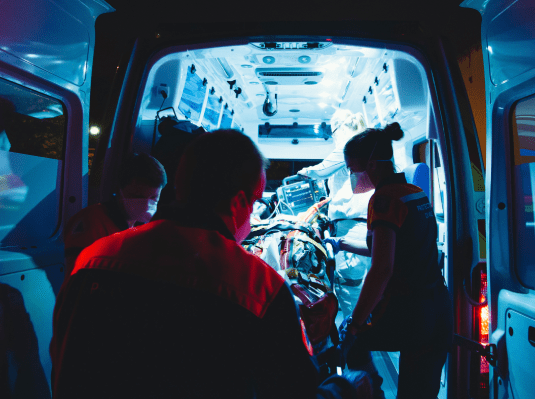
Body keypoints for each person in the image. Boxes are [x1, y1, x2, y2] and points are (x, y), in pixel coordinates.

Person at [50, 130, 373, 399]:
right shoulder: (258, 286)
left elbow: (62, 361)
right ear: (238, 204)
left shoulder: (94, 257)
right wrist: (344, 387)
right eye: (256, 201)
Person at [339, 123, 453, 399]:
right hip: (438, 307)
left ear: (372, 165)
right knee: (420, 391)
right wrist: (340, 243)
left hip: (413, 313)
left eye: (353, 170)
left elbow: (382, 269)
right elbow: (395, 249)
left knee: (352, 342)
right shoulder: (414, 192)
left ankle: (371, 392)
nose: (353, 177)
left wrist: (355, 323)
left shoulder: (383, 200)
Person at [298, 109, 372, 319]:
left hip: (352, 226)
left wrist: (303, 172)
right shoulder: (361, 145)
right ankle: (359, 334)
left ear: (338, 128)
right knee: (358, 286)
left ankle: (355, 339)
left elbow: (320, 170)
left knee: (350, 287)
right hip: (356, 223)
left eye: (332, 132)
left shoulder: (348, 145)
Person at [62, 153, 167, 279]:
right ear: (119, 190)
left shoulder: (142, 227)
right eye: (137, 196)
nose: (146, 205)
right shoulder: (93, 221)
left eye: (153, 198)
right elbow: (77, 279)